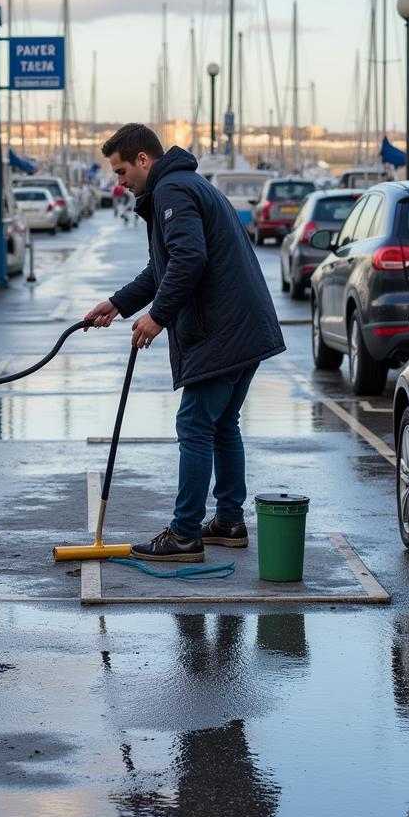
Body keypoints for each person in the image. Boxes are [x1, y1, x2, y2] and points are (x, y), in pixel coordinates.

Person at [85, 124, 284, 562]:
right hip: (246, 325)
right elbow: (164, 267)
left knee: (195, 424)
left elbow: (190, 258)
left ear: (143, 160)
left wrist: (157, 316)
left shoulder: (172, 190)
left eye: (121, 171)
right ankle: (229, 521)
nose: (119, 182)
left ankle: (185, 533)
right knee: (222, 423)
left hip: (223, 330)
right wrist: (117, 304)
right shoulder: (185, 185)